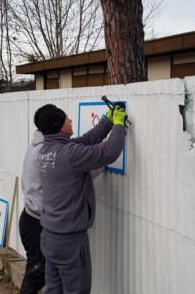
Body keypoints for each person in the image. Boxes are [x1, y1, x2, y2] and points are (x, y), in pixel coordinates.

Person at [37, 104, 127, 294]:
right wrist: (119, 126)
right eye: (66, 118)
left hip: (49, 235)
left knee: (54, 289)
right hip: (69, 241)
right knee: (77, 290)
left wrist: (108, 121)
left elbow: (86, 141)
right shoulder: (69, 155)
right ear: (60, 126)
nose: (70, 119)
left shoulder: (46, 150)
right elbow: (109, 152)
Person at [19, 104, 55, 294]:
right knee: (36, 275)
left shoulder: (37, 145)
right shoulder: (44, 153)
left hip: (30, 219)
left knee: (38, 273)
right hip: (36, 225)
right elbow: (76, 173)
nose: (71, 121)